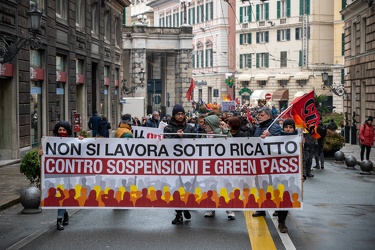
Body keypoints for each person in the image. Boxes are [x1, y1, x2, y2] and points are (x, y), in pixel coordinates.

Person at [163, 104, 196, 224]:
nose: (180, 116)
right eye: (178, 114)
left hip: (187, 163)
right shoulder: (168, 128)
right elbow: (166, 143)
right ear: (174, 115)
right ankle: (178, 213)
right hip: (173, 163)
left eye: (182, 114)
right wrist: (176, 136)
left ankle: (186, 207)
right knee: (175, 188)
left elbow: (195, 142)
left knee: (187, 187)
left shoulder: (190, 128)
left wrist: (184, 136)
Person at [201, 114, 235, 219]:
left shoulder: (224, 134)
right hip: (209, 165)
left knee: (225, 186)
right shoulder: (203, 136)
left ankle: (229, 209)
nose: (205, 126)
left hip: (222, 165)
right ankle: (211, 208)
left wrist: (226, 133)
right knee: (210, 186)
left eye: (207, 124)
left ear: (212, 124)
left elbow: (232, 144)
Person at [252, 107, 281, 218]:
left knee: (275, 185)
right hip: (260, 161)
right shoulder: (258, 127)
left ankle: (278, 207)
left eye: (262, 115)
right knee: (261, 185)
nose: (259, 117)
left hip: (272, 162)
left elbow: (280, 142)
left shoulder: (275, 127)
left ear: (269, 116)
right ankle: (261, 208)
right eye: (259, 115)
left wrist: (270, 137)